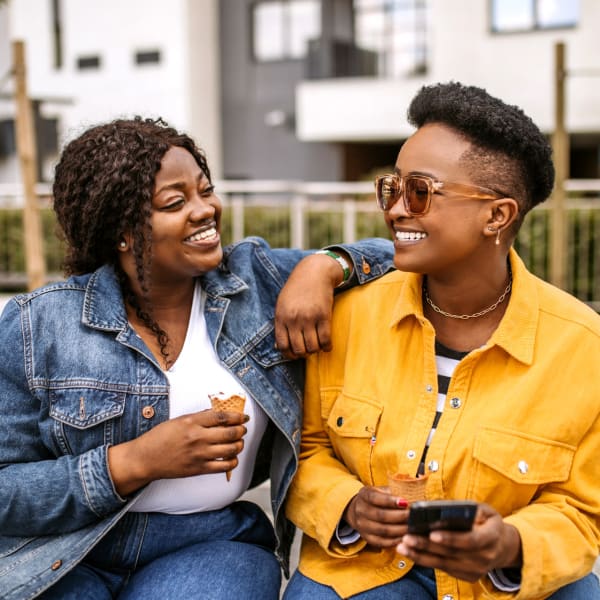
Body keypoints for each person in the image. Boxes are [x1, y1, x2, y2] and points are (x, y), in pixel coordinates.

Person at [0, 117, 394, 599]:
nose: (205, 210)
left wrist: (324, 266)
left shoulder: (256, 280)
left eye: (205, 191)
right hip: (66, 551)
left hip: (210, 540)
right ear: (122, 232)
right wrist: (135, 462)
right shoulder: (38, 323)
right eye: (175, 202)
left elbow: (396, 255)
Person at [283, 82, 600, 599]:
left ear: (497, 216)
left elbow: (583, 511)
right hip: (364, 571)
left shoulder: (583, 347)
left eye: (421, 191)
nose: (396, 209)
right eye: (393, 188)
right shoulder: (348, 317)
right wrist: (348, 505)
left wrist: (510, 544)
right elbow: (307, 450)